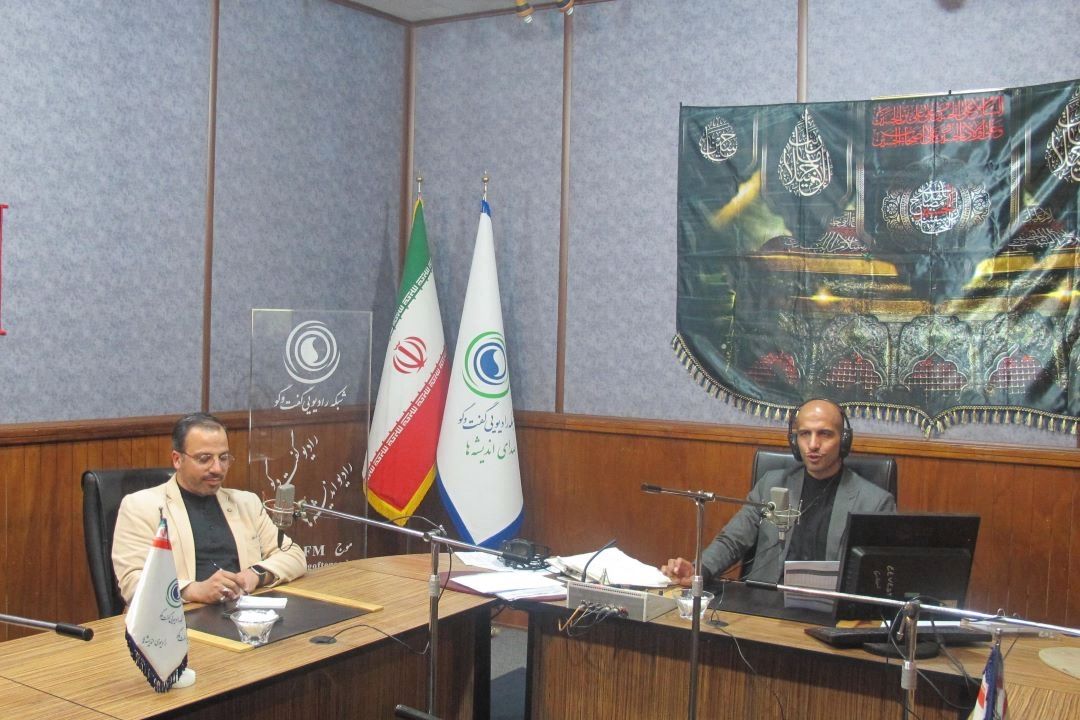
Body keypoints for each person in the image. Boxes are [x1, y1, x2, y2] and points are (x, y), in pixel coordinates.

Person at [661, 398, 896, 587]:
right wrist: (698, 570)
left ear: (843, 441)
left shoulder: (875, 502)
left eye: (824, 434)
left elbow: (877, 577)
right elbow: (732, 540)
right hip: (766, 605)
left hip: (831, 611)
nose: (813, 444)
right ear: (794, 441)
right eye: (805, 434)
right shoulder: (771, 484)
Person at [112, 412, 307, 605]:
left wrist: (255, 574)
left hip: (243, 612)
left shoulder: (246, 503)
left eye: (223, 458)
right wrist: (195, 590)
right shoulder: (140, 506)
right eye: (204, 458)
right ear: (177, 459)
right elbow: (133, 583)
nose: (217, 468)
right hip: (178, 617)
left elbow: (294, 556)